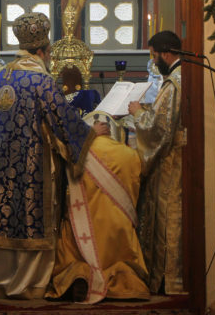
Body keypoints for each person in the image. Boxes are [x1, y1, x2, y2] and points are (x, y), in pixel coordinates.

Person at [0, 12, 110, 299]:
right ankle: (29, 284)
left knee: (0, 216)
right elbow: (63, 122)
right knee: (29, 218)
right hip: (31, 167)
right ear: (43, 51)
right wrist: (91, 132)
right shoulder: (41, 80)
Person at [45, 113, 150, 304]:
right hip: (118, 233)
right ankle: (124, 280)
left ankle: (79, 275)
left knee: (71, 254)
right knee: (124, 262)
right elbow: (137, 188)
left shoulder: (74, 154)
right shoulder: (130, 155)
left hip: (81, 232)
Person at [128, 30, 186, 295]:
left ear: (166, 53)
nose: (153, 61)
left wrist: (137, 112)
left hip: (171, 161)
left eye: (154, 56)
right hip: (175, 157)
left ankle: (169, 278)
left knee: (168, 215)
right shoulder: (180, 77)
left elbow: (157, 129)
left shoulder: (174, 82)